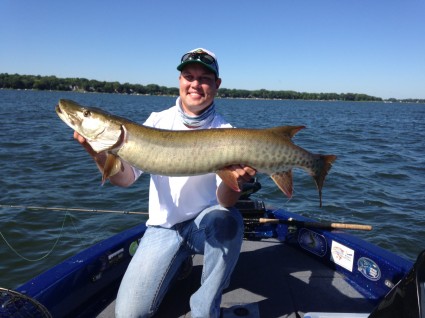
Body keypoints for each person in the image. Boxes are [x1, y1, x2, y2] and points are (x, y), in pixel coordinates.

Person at [74, 48, 256, 317]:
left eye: (204, 78)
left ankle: (205, 310)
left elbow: (224, 201)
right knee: (129, 314)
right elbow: (124, 179)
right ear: (180, 81)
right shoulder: (157, 121)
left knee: (227, 220)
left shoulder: (228, 133)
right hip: (163, 229)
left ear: (216, 85)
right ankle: (178, 264)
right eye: (188, 76)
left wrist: (237, 182)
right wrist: (98, 154)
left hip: (205, 226)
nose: (195, 84)